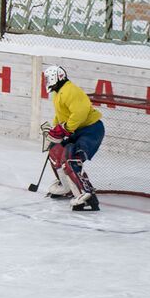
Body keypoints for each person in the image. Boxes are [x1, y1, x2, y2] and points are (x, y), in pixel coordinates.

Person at [42, 65, 105, 213]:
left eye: (48, 78)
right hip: (76, 130)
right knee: (55, 151)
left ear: (58, 77)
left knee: (72, 158)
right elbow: (61, 115)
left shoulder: (70, 90)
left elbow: (80, 113)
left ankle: (87, 195)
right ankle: (68, 187)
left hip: (91, 130)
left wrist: (65, 129)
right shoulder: (58, 93)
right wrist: (56, 129)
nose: (46, 81)